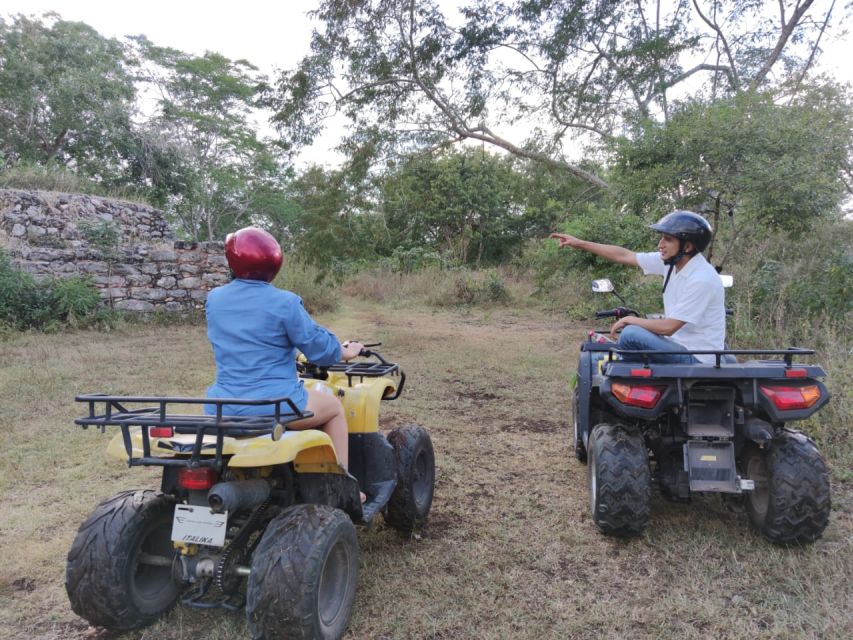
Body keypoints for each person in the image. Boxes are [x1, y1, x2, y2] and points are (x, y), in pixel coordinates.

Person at [204, 226, 363, 469]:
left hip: (223, 405)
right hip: (276, 405)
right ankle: (344, 483)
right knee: (334, 408)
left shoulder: (214, 299)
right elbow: (318, 347)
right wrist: (345, 351)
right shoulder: (285, 302)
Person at [550, 210, 725, 364]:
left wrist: (630, 320)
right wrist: (579, 243)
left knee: (631, 334)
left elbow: (668, 327)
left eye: (668, 239)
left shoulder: (702, 278)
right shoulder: (671, 263)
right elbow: (624, 255)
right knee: (632, 335)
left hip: (697, 358)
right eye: (662, 237)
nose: (660, 244)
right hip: (679, 346)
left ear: (687, 246)